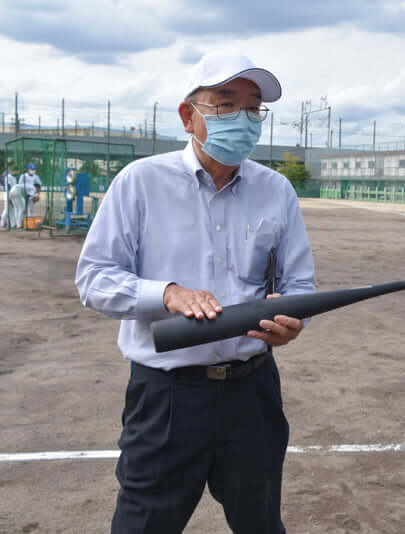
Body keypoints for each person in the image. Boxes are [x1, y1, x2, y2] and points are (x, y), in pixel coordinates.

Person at [75, 50, 316, 534]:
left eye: (253, 108)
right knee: (144, 523)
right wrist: (165, 294)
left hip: (253, 391)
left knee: (261, 520)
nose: (243, 118)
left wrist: (292, 319)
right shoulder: (140, 183)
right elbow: (95, 278)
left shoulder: (276, 191)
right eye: (225, 104)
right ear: (190, 116)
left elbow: (298, 284)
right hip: (167, 395)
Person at [1, 162, 19, 228]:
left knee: (11, 210)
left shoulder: (13, 176)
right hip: (8, 194)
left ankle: (12, 224)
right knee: (7, 210)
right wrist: (9, 197)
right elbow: (7, 187)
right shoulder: (7, 175)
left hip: (12, 194)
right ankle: (2, 223)